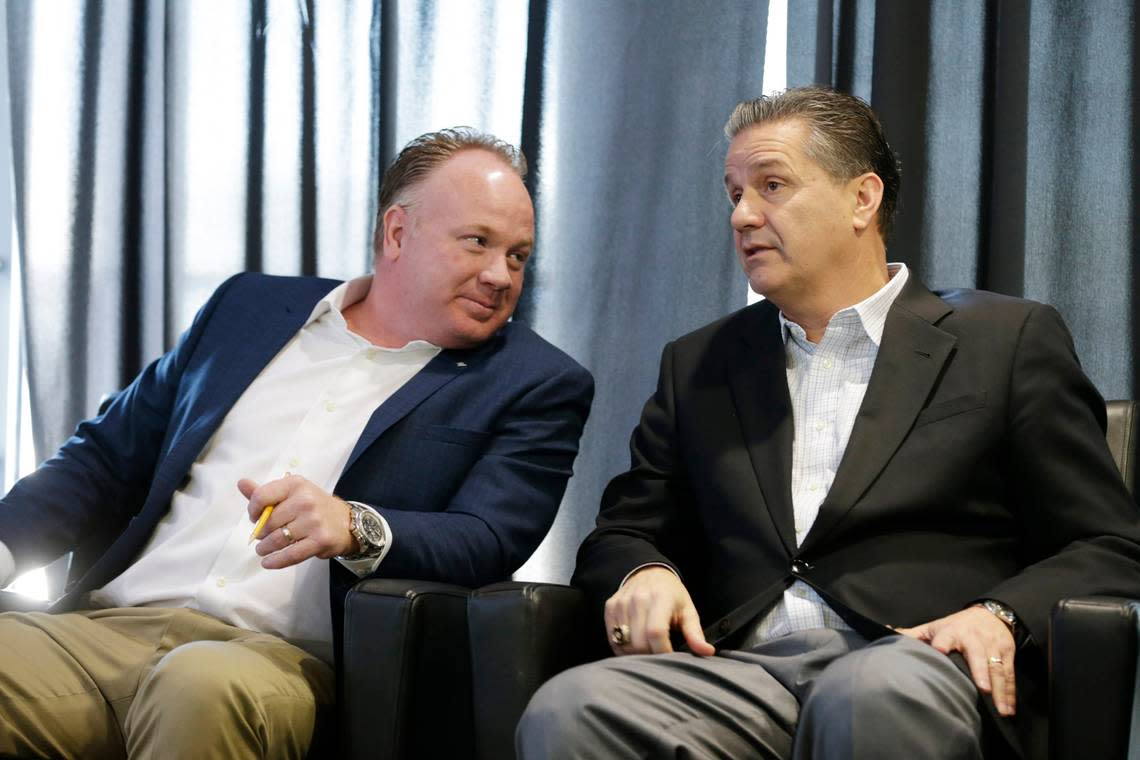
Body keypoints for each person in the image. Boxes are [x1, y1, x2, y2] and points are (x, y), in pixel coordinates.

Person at [517, 87, 1140, 759]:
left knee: (869, 691)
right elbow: (626, 529)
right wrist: (642, 572)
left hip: (918, 660)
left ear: (862, 199)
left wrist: (999, 616)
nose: (743, 215)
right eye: (734, 194)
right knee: (573, 708)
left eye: (772, 185)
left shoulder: (1006, 340)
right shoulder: (700, 364)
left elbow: (1109, 545)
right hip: (743, 674)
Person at [0, 127, 594, 759]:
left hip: (276, 662)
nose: (500, 275)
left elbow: (489, 537)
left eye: (518, 256)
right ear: (398, 233)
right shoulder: (247, 308)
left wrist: (355, 525)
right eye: (478, 242)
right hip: (104, 629)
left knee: (199, 686)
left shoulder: (536, 382)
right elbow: (102, 460)